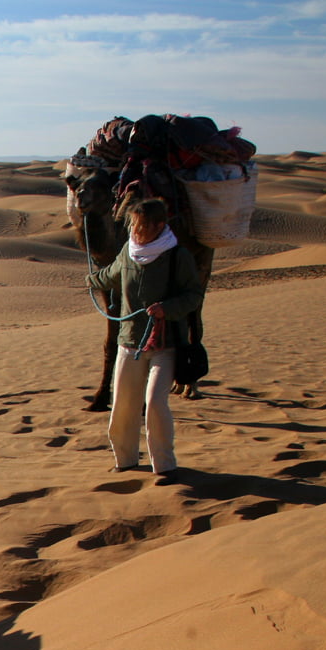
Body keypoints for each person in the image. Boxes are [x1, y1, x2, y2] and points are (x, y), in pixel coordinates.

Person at [88, 196, 205, 476]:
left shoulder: (177, 256)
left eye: (141, 225)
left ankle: (164, 466)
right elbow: (110, 276)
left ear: (159, 225)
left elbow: (194, 295)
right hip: (129, 342)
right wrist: (91, 279)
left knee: (154, 403)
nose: (136, 230)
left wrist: (168, 308)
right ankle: (125, 461)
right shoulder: (128, 251)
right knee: (123, 406)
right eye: (133, 225)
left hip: (166, 344)